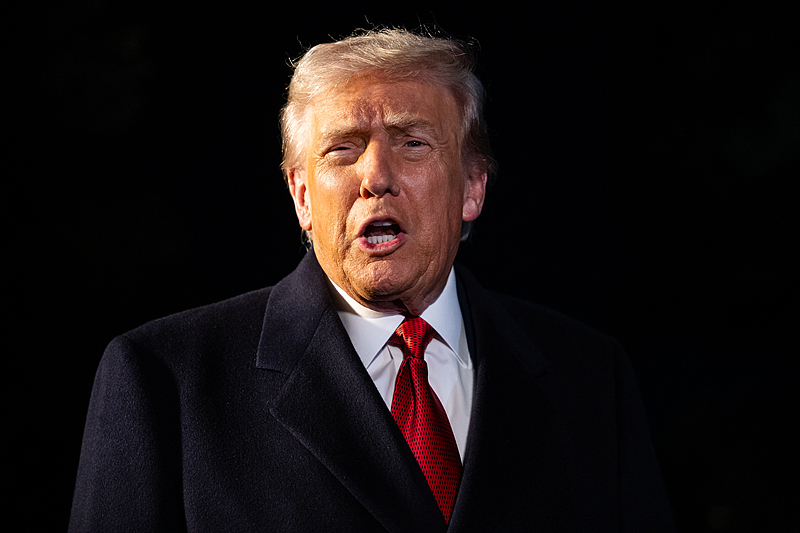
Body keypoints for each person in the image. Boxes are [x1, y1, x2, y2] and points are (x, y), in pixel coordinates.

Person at [69, 28, 674, 532]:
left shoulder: (591, 378)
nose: (376, 176)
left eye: (413, 143)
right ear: (301, 196)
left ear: (472, 186)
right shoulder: (163, 380)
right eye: (342, 150)